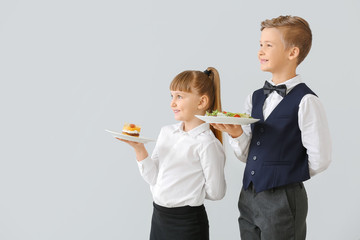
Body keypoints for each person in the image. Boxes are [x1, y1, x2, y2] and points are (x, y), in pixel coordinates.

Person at [212, 15, 332, 239]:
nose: (260, 51)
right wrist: (236, 134)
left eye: (268, 45)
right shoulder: (254, 97)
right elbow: (247, 155)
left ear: (292, 52)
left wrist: (287, 173)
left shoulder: (306, 101)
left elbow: (320, 158)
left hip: (283, 197)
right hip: (249, 195)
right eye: (260, 45)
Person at [118, 67, 226, 240]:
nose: (172, 103)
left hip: (187, 223)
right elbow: (153, 178)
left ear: (202, 102)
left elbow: (216, 192)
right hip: (159, 218)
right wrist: (140, 149)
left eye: (179, 96)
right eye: (172, 96)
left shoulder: (207, 143)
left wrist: (190, 189)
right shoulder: (166, 132)